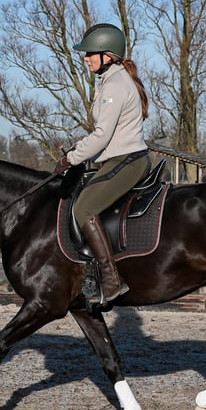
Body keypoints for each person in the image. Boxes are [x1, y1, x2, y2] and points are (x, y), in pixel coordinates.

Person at [54, 23, 151, 305]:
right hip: (119, 157)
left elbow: (102, 136)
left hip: (127, 160)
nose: (85, 58)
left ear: (107, 55)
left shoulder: (115, 86)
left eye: (89, 54)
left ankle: (110, 280)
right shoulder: (111, 82)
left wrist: (70, 158)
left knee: (84, 207)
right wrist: (79, 150)